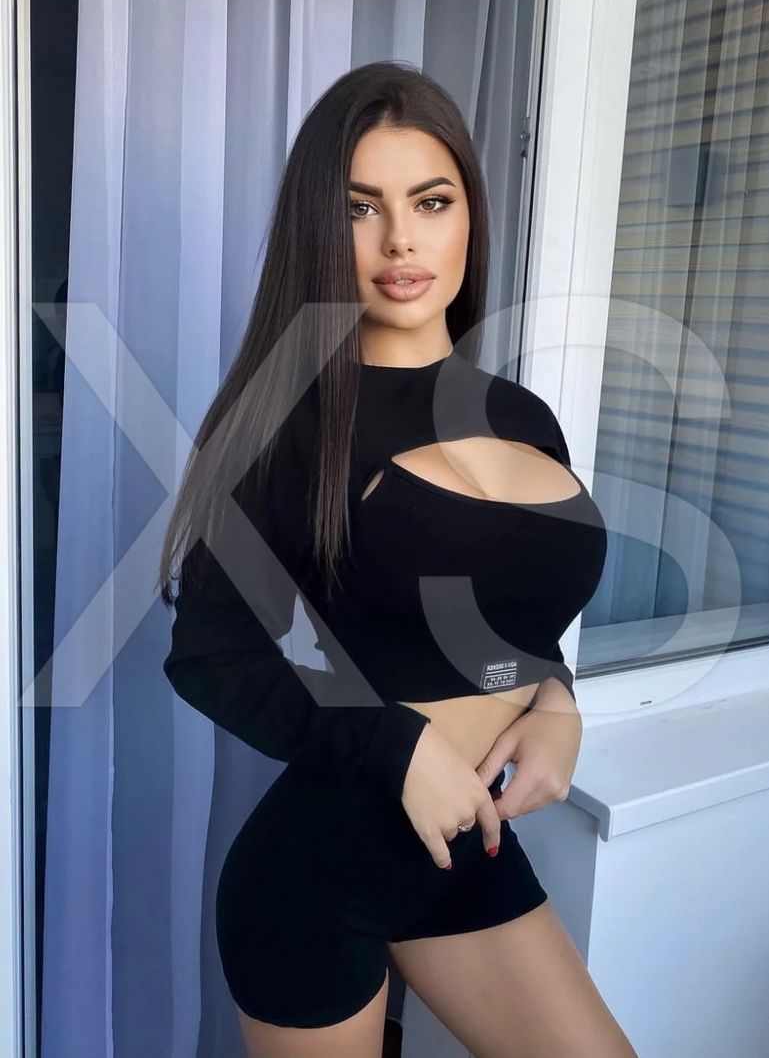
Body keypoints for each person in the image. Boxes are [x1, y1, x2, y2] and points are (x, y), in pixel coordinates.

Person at [157, 61, 638, 1058]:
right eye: (359, 207)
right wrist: (398, 747)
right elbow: (210, 656)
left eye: (430, 200)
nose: (399, 240)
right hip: (321, 873)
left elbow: (513, 619)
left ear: (468, 215)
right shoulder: (288, 426)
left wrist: (556, 703)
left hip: (467, 850)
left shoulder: (522, 416)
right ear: (319, 230)